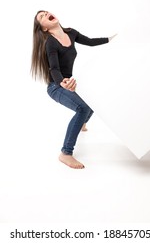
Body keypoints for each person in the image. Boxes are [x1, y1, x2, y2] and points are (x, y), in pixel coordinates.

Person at [31, 10, 117, 169]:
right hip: (56, 86)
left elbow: (90, 42)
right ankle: (66, 153)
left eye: (45, 12)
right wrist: (61, 82)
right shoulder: (50, 41)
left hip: (69, 82)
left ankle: (82, 123)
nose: (46, 14)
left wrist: (111, 39)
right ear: (43, 28)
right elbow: (54, 68)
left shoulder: (71, 33)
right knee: (82, 108)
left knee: (92, 103)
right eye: (42, 16)